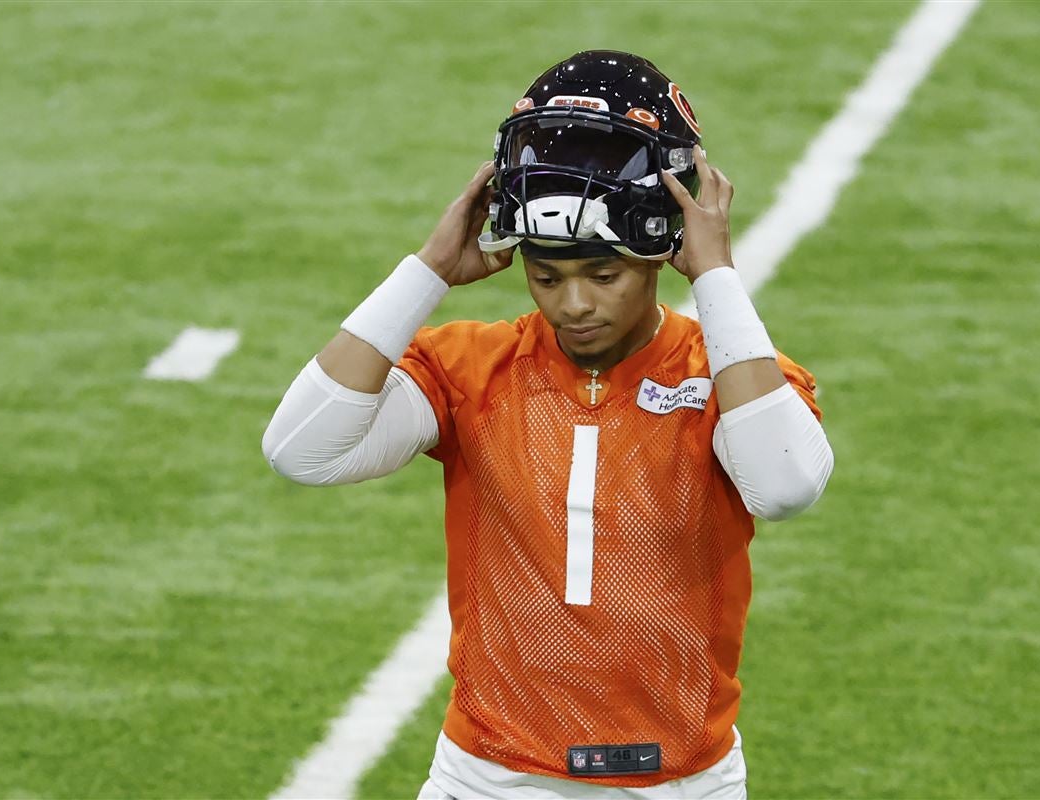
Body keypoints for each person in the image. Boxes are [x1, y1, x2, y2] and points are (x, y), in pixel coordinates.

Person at [263, 50, 834, 800]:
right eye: (547, 275)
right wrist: (429, 268)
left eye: (604, 275)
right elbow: (301, 451)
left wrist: (718, 278)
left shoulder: (730, 376)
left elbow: (786, 485)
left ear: (664, 251)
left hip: (682, 783)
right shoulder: (470, 367)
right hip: (485, 778)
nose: (574, 306)